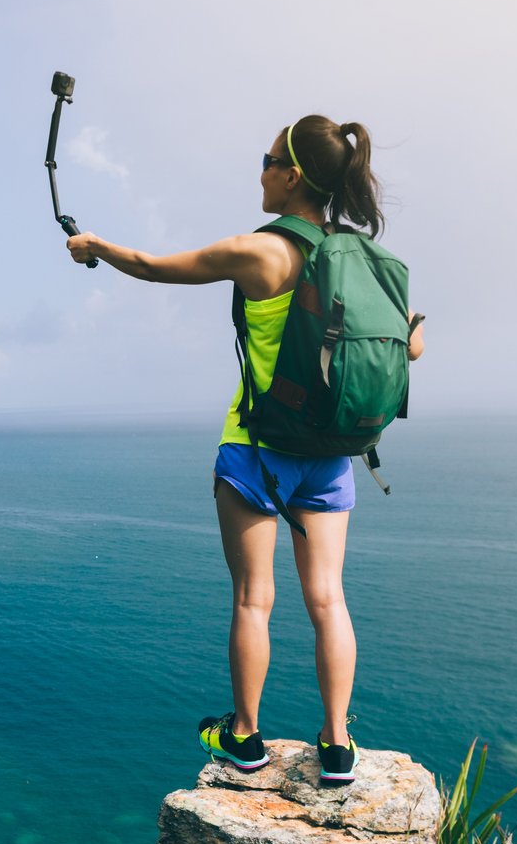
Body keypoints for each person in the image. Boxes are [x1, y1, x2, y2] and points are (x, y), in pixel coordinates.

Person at [66, 115, 423, 786]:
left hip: (255, 452)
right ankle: (338, 746)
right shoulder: (370, 264)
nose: (257, 171)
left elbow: (148, 267)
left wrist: (93, 247)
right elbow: (410, 344)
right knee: (328, 600)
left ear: (290, 174)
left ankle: (244, 739)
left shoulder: (259, 253)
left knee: (253, 600)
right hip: (330, 456)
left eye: (265, 159)